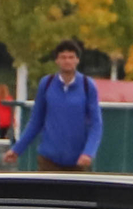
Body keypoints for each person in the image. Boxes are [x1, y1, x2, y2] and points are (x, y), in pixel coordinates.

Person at [13, 38, 104, 172]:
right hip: (49, 159)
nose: (67, 61)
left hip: (78, 161)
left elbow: (96, 124)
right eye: (63, 57)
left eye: (71, 57)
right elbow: (36, 121)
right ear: (57, 60)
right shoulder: (47, 83)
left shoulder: (87, 85)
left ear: (77, 60)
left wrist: (88, 152)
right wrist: (17, 149)